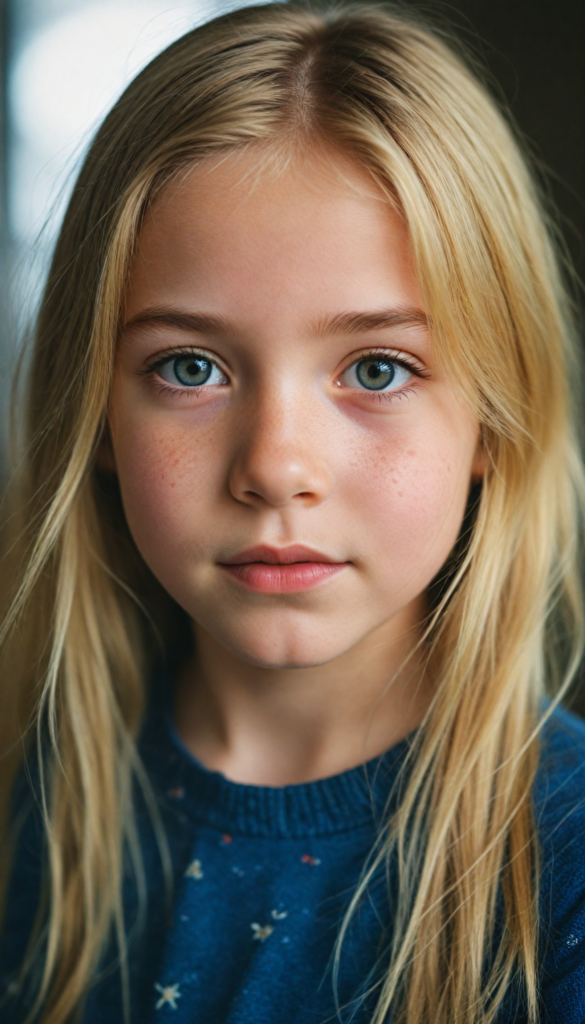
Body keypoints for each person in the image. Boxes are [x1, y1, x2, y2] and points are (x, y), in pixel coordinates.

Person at [1, 2, 584, 1022]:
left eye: (377, 367)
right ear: (94, 410)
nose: (275, 466)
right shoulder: (24, 802)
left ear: (494, 419)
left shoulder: (566, 860)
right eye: (191, 366)